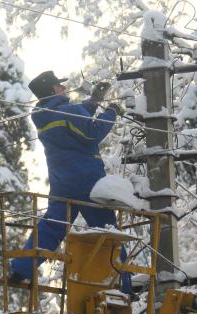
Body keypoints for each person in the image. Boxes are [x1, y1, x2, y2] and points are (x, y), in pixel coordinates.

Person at [10, 70, 131, 293]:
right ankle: (124, 284)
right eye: (60, 85)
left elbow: (74, 118)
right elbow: (92, 132)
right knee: (108, 231)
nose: (64, 88)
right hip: (87, 181)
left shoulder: (45, 117)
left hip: (62, 184)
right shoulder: (67, 112)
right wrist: (112, 112)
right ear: (54, 89)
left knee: (52, 227)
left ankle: (21, 268)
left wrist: (93, 102)